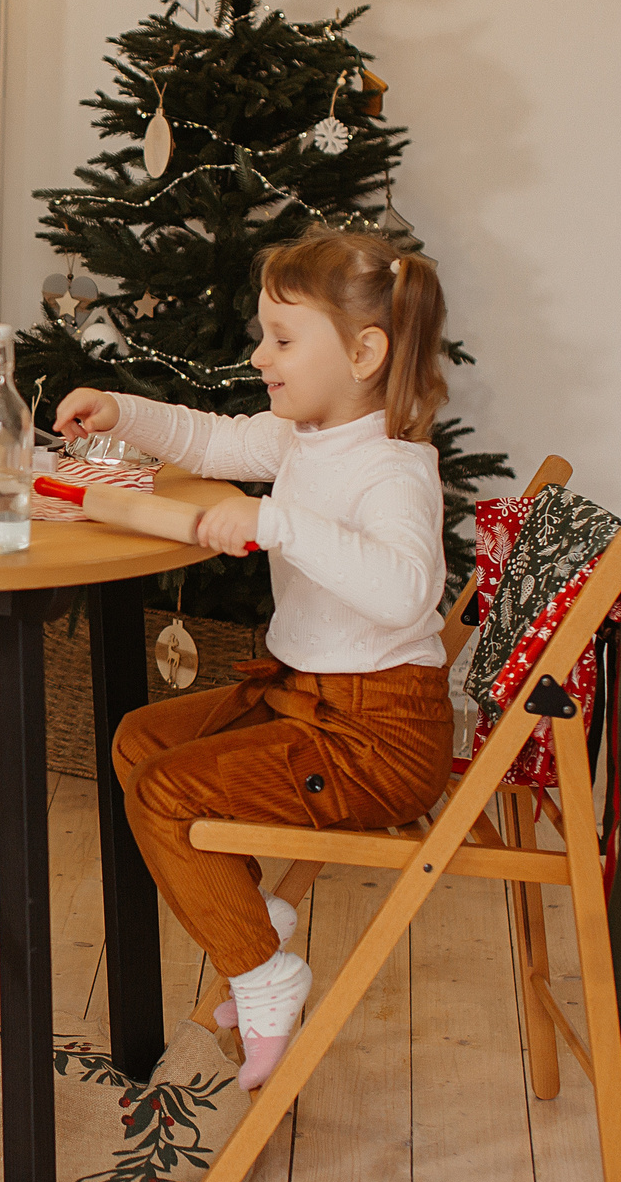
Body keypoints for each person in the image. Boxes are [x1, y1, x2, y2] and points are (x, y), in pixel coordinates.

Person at [54, 231, 450, 1088]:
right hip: (304, 700)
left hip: (375, 738)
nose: (259, 354)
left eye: (281, 337)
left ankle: (265, 967)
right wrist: (123, 411)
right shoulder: (305, 437)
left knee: (166, 793)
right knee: (135, 742)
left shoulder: (392, 470)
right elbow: (213, 442)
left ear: (364, 351)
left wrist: (274, 524)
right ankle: (253, 920)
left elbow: (406, 592)